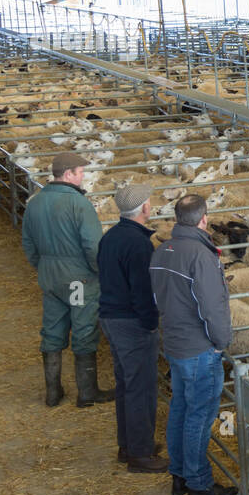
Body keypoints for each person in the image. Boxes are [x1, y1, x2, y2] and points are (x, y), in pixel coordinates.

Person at [149, 194, 236, 495]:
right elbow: (211, 307)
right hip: (200, 349)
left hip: (173, 343)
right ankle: (199, 485)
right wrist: (221, 342)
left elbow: (157, 299)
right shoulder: (202, 255)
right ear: (203, 218)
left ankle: (180, 475)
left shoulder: (162, 251)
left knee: (181, 408)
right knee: (199, 415)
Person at [20, 151, 112, 408]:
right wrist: (99, 272)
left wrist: (43, 266)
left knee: (52, 328)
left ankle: (53, 392)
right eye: (81, 172)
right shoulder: (79, 204)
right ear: (69, 173)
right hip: (77, 279)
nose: (83, 176)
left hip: (50, 276)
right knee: (83, 329)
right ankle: (87, 392)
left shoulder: (35, 202)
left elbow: (27, 243)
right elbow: (93, 246)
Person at [96, 184, 167, 473]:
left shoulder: (110, 236)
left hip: (110, 318)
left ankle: (129, 445)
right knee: (140, 386)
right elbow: (143, 291)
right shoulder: (138, 244)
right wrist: (150, 324)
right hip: (131, 322)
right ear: (145, 209)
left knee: (126, 383)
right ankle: (140, 454)